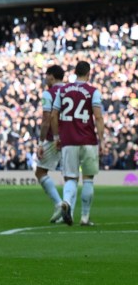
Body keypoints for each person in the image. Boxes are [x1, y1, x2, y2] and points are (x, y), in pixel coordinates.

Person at [51, 61, 104, 226]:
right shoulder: (92, 92)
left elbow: (53, 116)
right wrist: (101, 140)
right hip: (88, 140)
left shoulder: (63, 90)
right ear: (89, 73)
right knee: (88, 179)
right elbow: (98, 117)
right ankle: (85, 217)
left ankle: (66, 202)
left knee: (71, 178)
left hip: (68, 140)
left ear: (75, 73)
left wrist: (56, 137)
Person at [36, 64, 66, 224]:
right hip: (72, 136)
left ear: (51, 76)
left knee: (40, 172)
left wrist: (40, 142)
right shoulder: (71, 91)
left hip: (54, 138)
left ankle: (59, 204)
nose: (45, 79)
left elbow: (47, 119)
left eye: (46, 75)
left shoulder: (49, 93)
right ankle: (69, 210)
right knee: (71, 176)